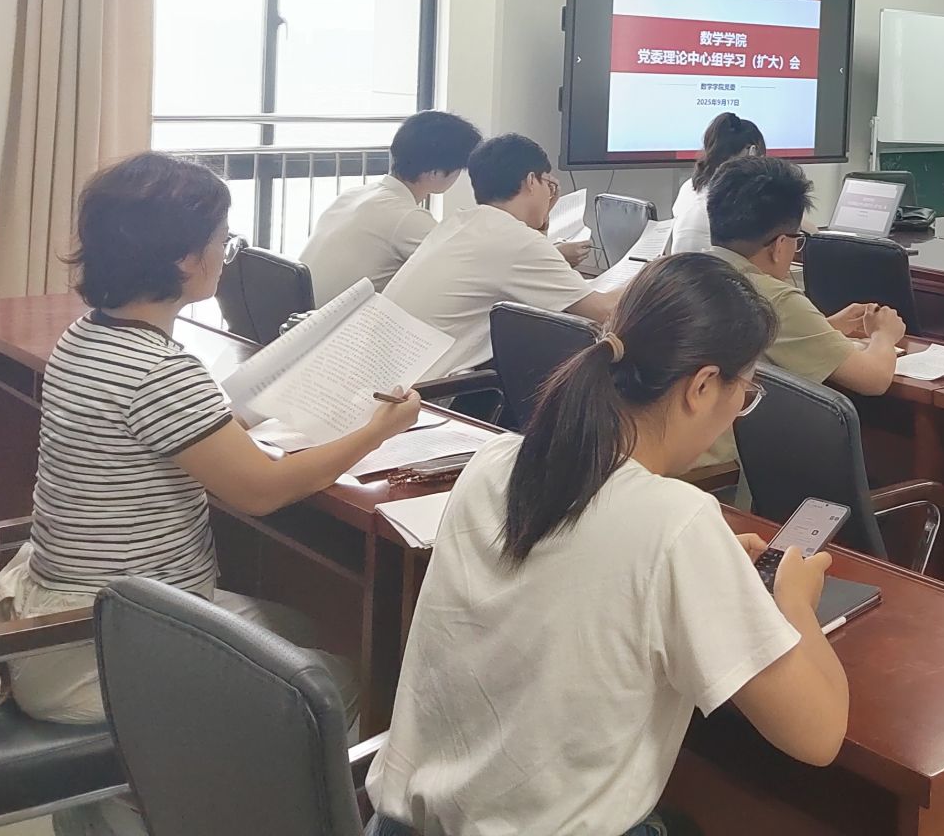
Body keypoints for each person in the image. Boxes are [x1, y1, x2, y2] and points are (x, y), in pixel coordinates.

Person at [0, 153, 420, 836]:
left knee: (303, 632)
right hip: (96, 647)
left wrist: (236, 417)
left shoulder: (88, 335)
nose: (227, 252)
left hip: (67, 615)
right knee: (338, 683)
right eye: (224, 239)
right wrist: (378, 431)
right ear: (186, 258)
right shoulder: (158, 370)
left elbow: (175, 429)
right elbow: (261, 491)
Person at [365, 253, 849, 836]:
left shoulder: (496, 461)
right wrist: (795, 603)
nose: (736, 414)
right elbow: (819, 735)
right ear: (701, 387)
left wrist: (708, 568)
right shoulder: (675, 521)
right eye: (743, 394)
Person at [701, 156, 905, 471]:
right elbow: (874, 379)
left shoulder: (686, 270)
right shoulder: (771, 295)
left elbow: (758, 340)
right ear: (780, 245)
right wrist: (884, 335)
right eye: (797, 241)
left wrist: (827, 327)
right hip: (725, 472)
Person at [385, 133, 616, 376]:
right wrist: (643, 274)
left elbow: (525, 269)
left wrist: (541, 220)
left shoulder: (460, 223)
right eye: (548, 183)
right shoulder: (514, 239)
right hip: (428, 391)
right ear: (531, 181)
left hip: (390, 379)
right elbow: (604, 312)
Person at [300, 110, 483, 303]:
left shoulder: (353, 195)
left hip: (296, 317)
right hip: (335, 319)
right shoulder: (406, 217)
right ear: (435, 173)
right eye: (458, 170)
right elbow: (462, 271)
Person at [670, 112, 767, 255]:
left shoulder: (688, 186)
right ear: (752, 153)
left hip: (680, 266)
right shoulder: (735, 197)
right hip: (712, 267)